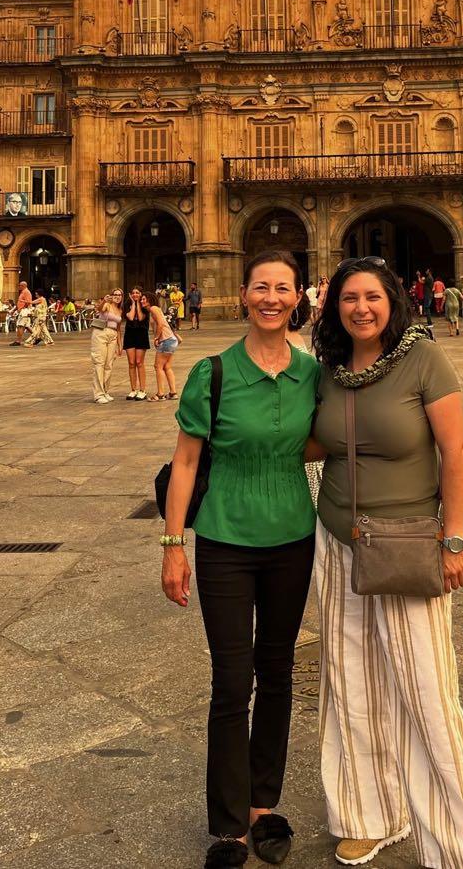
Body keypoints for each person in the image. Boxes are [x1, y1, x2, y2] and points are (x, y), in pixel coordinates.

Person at [310, 258, 463, 869]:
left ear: (393, 300)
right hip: (337, 541)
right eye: (348, 299)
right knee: (348, 682)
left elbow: (456, 451)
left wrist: (456, 538)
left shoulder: (423, 358)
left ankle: (460, 842)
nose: (360, 308)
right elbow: (318, 440)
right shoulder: (332, 370)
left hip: (407, 542)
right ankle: (368, 813)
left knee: (425, 692)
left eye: (371, 297)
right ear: (334, 306)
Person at [161, 250, 320, 869]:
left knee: (277, 672)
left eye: (283, 288)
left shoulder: (312, 374)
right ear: (244, 295)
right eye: (261, 287)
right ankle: (227, 826)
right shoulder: (212, 372)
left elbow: (330, 435)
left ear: (298, 296)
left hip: (291, 539)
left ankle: (262, 804)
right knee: (231, 682)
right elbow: (185, 463)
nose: (272, 298)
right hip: (225, 541)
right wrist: (174, 546)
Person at [90, 288, 124, 404]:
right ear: (111, 295)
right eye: (115, 294)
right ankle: (98, 394)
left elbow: (119, 328)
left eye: (119, 295)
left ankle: (105, 390)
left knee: (109, 364)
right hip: (101, 332)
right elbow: (99, 309)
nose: (117, 297)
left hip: (113, 334)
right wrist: (104, 301)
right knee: (99, 362)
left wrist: (120, 345)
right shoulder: (107, 305)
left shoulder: (119, 310)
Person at [147, 294, 182, 400]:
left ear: (150, 300)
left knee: (158, 367)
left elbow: (161, 324)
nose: (142, 301)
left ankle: (160, 394)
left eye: (144, 299)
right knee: (167, 367)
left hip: (165, 340)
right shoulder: (156, 309)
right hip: (170, 340)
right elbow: (166, 322)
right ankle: (173, 392)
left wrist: (156, 338)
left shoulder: (153, 308)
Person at [123, 286, 151, 398]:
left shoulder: (145, 305)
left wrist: (138, 303)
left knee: (139, 362)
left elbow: (140, 318)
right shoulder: (127, 305)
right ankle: (133, 389)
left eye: (137, 293)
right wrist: (133, 304)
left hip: (141, 334)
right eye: (133, 293)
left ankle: (142, 390)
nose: (135, 295)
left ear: (141, 294)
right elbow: (130, 317)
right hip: (130, 334)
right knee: (131, 363)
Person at [10, 280, 33, 346]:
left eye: (20, 285)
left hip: (24, 311)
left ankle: (18, 341)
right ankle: (37, 337)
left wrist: (22, 308)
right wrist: (15, 310)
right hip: (23, 310)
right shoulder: (23, 292)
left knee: (20, 325)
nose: (19, 286)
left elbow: (28, 301)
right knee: (26, 326)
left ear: (23, 286)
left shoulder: (26, 292)